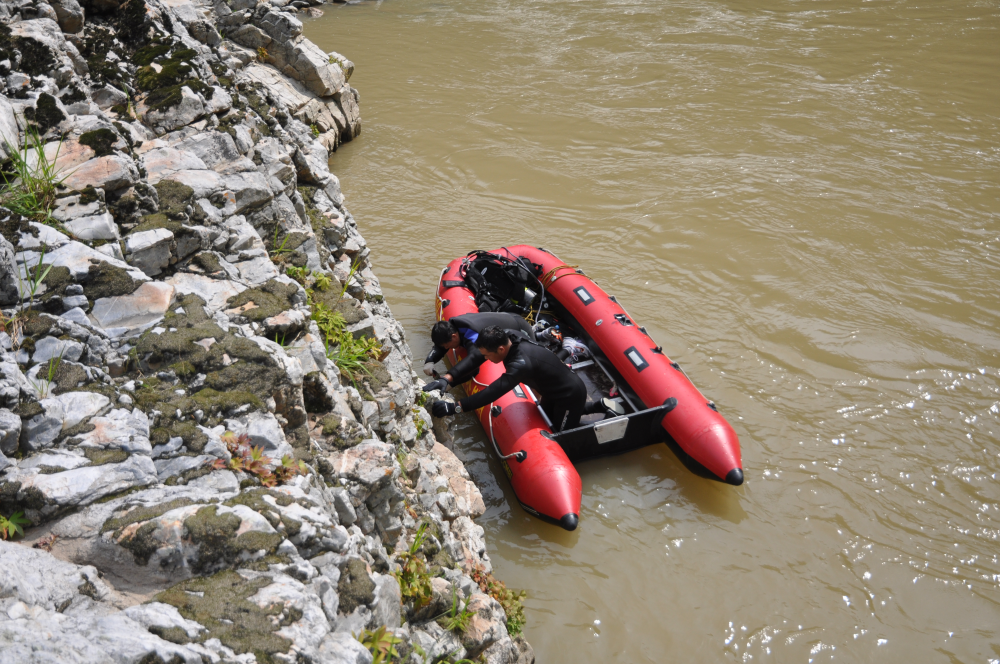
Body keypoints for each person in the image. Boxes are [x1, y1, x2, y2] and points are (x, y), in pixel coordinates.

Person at [429, 325, 622, 431]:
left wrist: (456, 407)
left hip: (569, 394)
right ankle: (599, 406)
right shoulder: (510, 336)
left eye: (487, 355)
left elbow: (493, 392)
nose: (486, 359)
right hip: (553, 390)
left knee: (562, 431)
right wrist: (450, 378)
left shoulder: (519, 364)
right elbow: (477, 357)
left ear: (501, 349)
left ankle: (607, 419)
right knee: (547, 417)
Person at [422, 312, 534, 393]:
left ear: (454, 336)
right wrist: (430, 361)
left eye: (447, 346)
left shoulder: (473, 335)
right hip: (509, 316)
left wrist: (448, 380)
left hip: (520, 328)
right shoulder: (453, 325)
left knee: (530, 370)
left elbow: (474, 361)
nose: (447, 348)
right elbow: (441, 346)